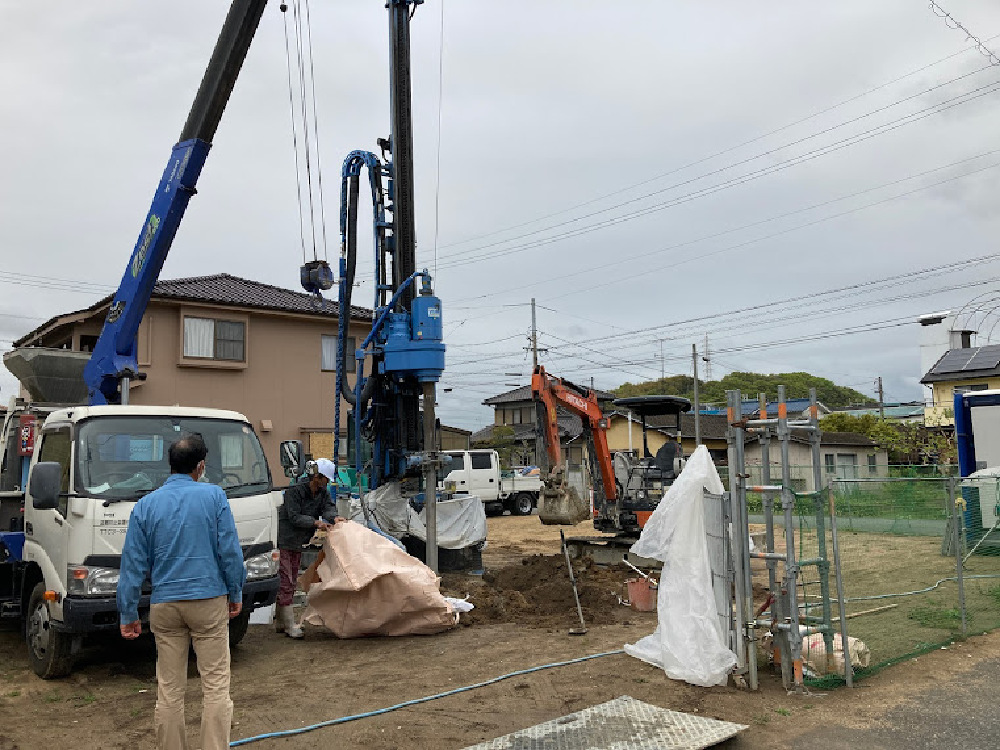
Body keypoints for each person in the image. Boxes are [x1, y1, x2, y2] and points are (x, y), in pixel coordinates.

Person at [117, 433, 246, 750]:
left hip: (165, 605)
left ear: (170, 466)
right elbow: (229, 552)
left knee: (170, 688)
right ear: (200, 466)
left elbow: (132, 564)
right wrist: (235, 592)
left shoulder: (145, 506)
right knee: (215, 684)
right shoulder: (214, 497)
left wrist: (128, 612)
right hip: (208, 600)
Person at [276, 456, 339, 639]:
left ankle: (281, 622)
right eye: (325, 479)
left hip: (298, 542)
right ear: (316, 476)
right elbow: (294, 517)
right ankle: (289, 625)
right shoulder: (294, 491)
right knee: (286, 580)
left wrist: (334, 518)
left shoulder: (322, 493)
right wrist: (315, 523)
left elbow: (328, 508)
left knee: (290, 578)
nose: (326, 484)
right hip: (285, 541)